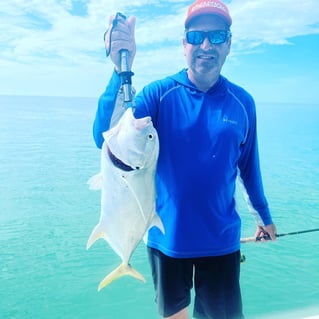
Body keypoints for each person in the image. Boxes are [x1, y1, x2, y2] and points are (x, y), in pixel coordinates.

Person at [93, 0, 277, 318]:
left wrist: (264, 218)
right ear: (183, 43)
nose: (206, 45)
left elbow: (248, 166)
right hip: (166, 239)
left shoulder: (242, 102)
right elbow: (106, 137)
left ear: (229, 44)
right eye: (196, 36)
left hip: (221, 242)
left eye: (217, 36)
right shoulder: (158, 94)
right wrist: (118, 70)